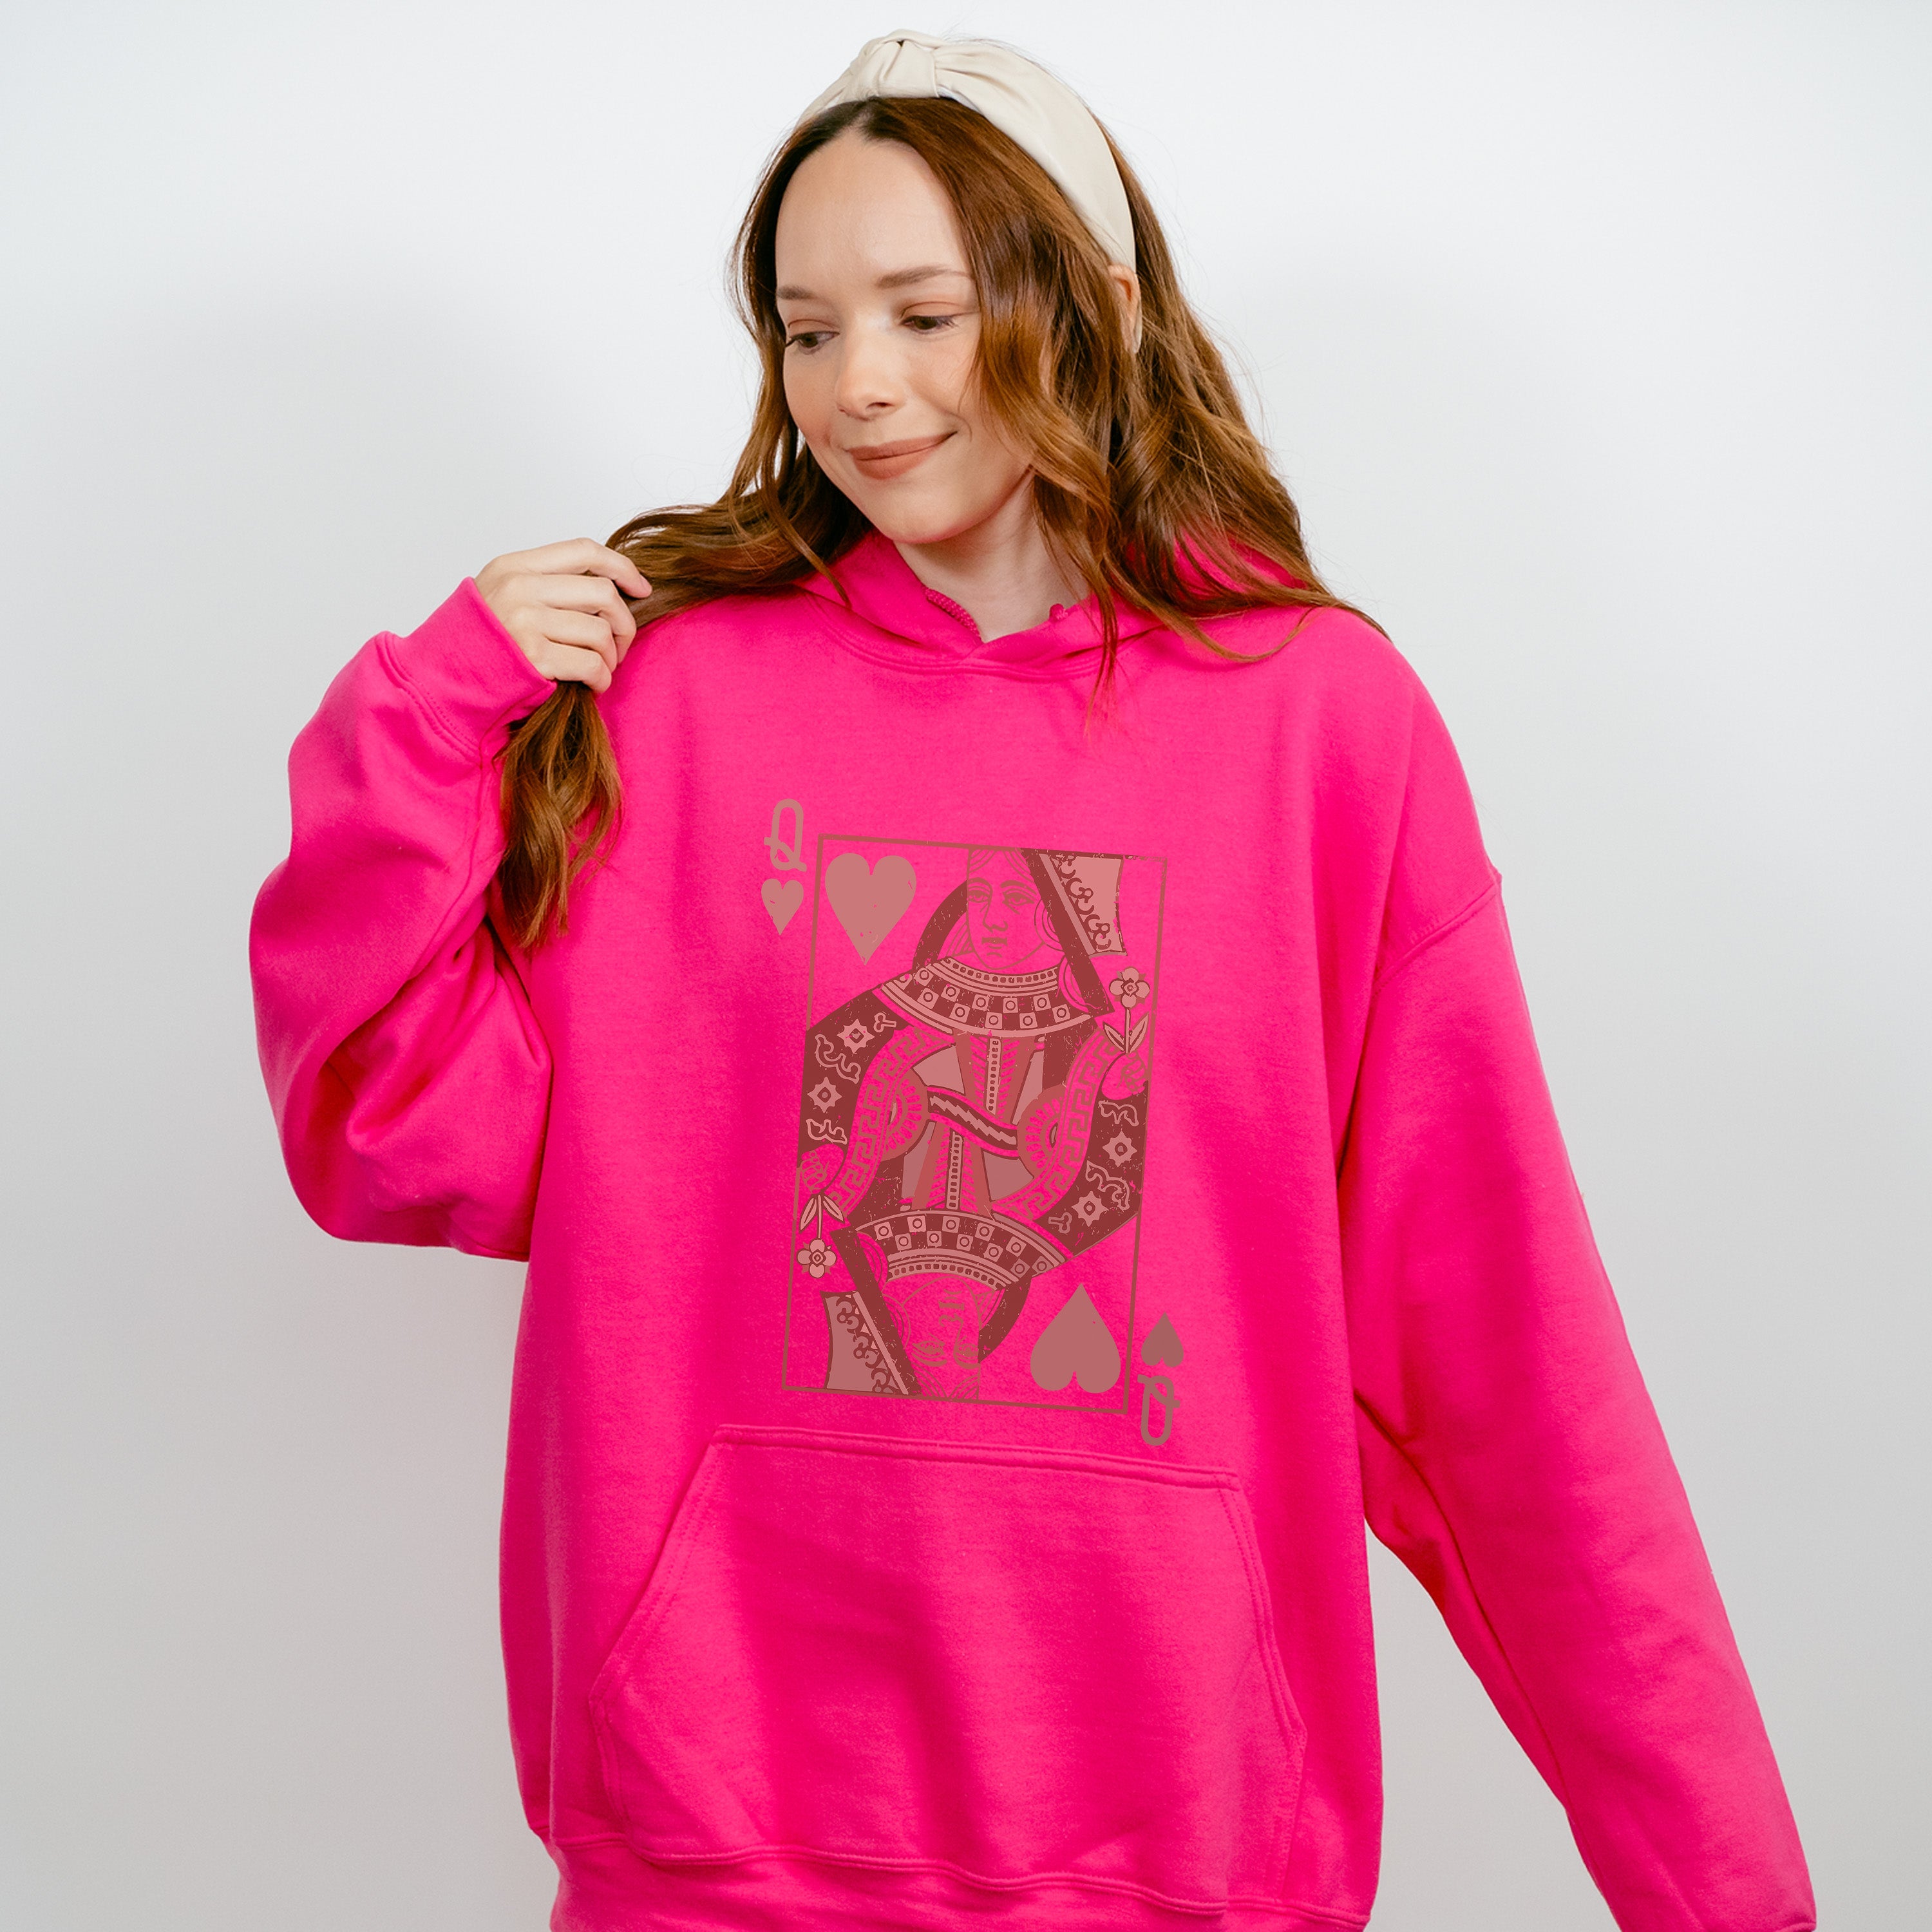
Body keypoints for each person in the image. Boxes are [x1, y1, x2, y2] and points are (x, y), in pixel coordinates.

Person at [250, 31, 1814, 1932]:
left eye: (926, 312)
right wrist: (425, 723)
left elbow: (1507, 1366)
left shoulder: (1319, 729)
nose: (859, 384)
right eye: (807, 329)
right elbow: (394, 1136)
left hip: (1181, 1845)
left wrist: (1725, 1888)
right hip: (718, 1832)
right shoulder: (681, 704)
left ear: (1094, 307)